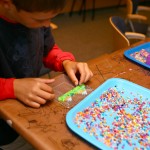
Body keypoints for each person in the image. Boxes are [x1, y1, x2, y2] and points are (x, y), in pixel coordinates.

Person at [0, 0, 93, 148]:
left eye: (51, 18)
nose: (47, 25)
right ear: (7, 4)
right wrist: (13, 87)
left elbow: (46, 49)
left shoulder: (36, 16)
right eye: (40, 20)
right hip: (5, 126)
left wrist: (65, 62)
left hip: (29, 113)